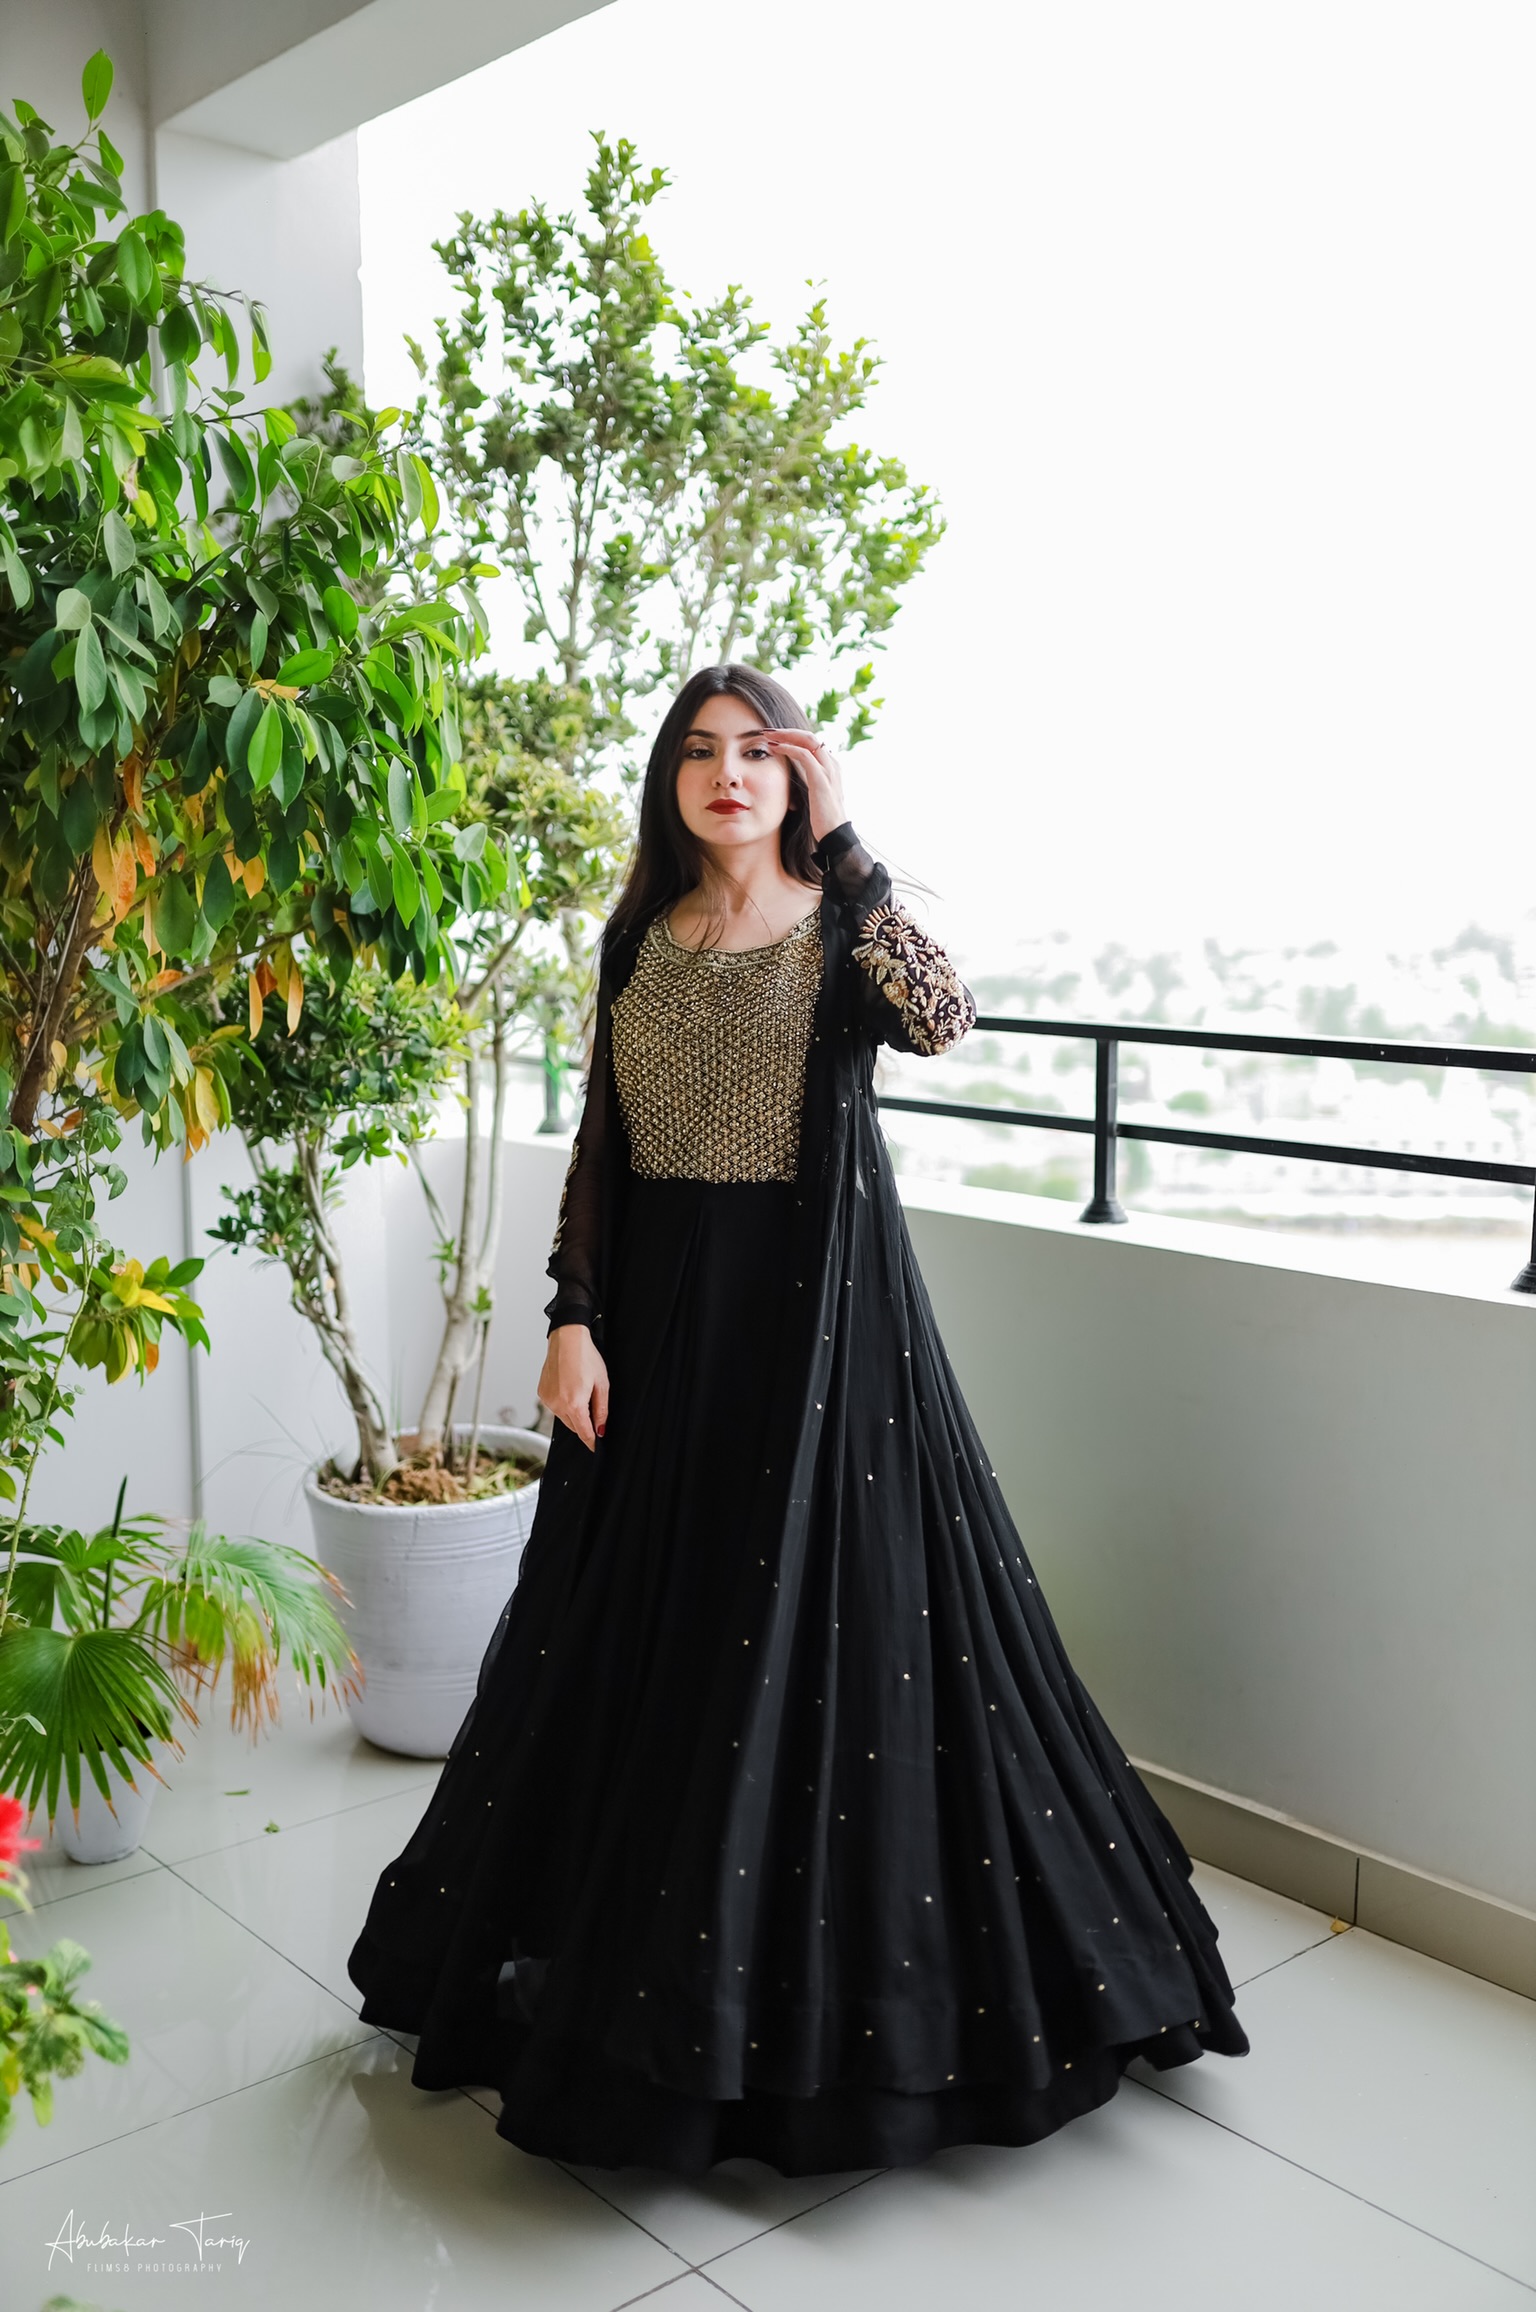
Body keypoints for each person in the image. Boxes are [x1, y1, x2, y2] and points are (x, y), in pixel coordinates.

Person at [346, 662, 1249, 2176]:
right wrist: (569, 1315)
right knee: (645, 1641)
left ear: (794, 778)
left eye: (758, 753)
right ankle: (643, 1984)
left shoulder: (841, 928)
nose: (728, 774)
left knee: (822, 1644)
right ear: (670, 780)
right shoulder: (638, 935)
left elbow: (943, 1019)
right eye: (700, 751)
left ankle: (828, 2024)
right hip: (655, 1334)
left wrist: (854, 850)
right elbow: (601, 1142)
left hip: (820, 1333)